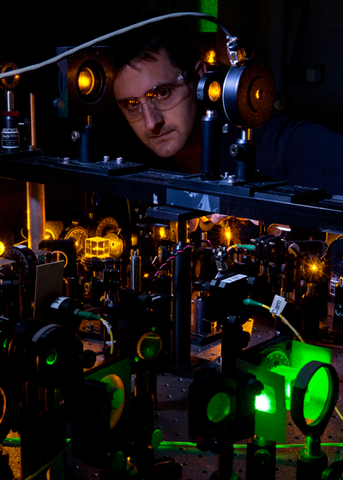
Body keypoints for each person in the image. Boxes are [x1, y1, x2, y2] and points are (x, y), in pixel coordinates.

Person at [112, 19, 343, 206]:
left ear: (201, 78)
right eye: (132, 104)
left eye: (163, 93)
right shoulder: (143, 167)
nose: (151, 123)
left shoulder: (283, 146)